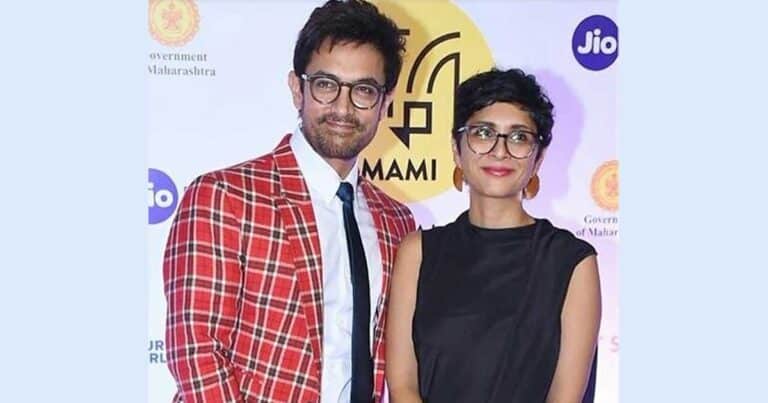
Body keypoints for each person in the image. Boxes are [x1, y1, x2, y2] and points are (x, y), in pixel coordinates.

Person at [162, 1, 414, 402]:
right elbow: (197, 351)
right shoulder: (224, 197)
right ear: (298, 88)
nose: (343, 107)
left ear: (385, 103)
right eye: (326, 85)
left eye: (364, 90)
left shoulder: (396, 221)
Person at [386, 68, 601, 403]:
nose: (500, 151)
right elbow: (402, 385)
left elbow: (565, 396)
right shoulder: (418, 252)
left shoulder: (571, 261)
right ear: (456, 148)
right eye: (483, 133)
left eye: (519, 137)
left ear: (538, 158)